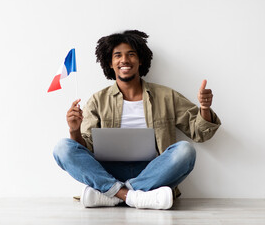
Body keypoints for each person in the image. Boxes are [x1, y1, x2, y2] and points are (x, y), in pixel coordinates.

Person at [53, 30, 221, 210]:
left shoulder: (166, 96)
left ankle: (113, 195)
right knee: (62, 148)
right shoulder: (97, 101)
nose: (124, 60)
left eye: (131, 54)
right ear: (110, 63)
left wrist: (204, 108)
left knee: (186, 150)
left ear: (140, 60)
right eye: (118, 55)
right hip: (109, 172)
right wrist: (74, 130)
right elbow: (86, 149)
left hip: (153, 172)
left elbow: (200, 133)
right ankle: (132, 196)